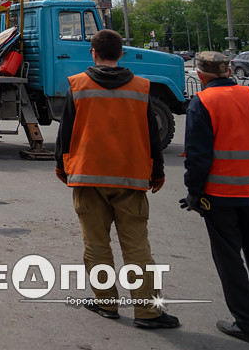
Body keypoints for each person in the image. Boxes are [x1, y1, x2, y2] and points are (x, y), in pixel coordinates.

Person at [55, 28, 179, 329]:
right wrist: (157, 171)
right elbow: (152, 136)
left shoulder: (78, 85)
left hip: (88, 177)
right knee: (137, 247)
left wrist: (62, 167)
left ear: (93, 53)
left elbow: (66, 133)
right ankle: (148, 312)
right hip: (130, 177)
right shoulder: (141, 87)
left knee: (96, 245)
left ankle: (106, 303)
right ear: (121, 54)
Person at [182, 50, 249, 344]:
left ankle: (247, 323)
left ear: (200, 75)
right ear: (229, 71)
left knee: (230, 261)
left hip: (220, 195)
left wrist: (194, 193)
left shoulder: (203, 102)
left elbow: (198, 156)